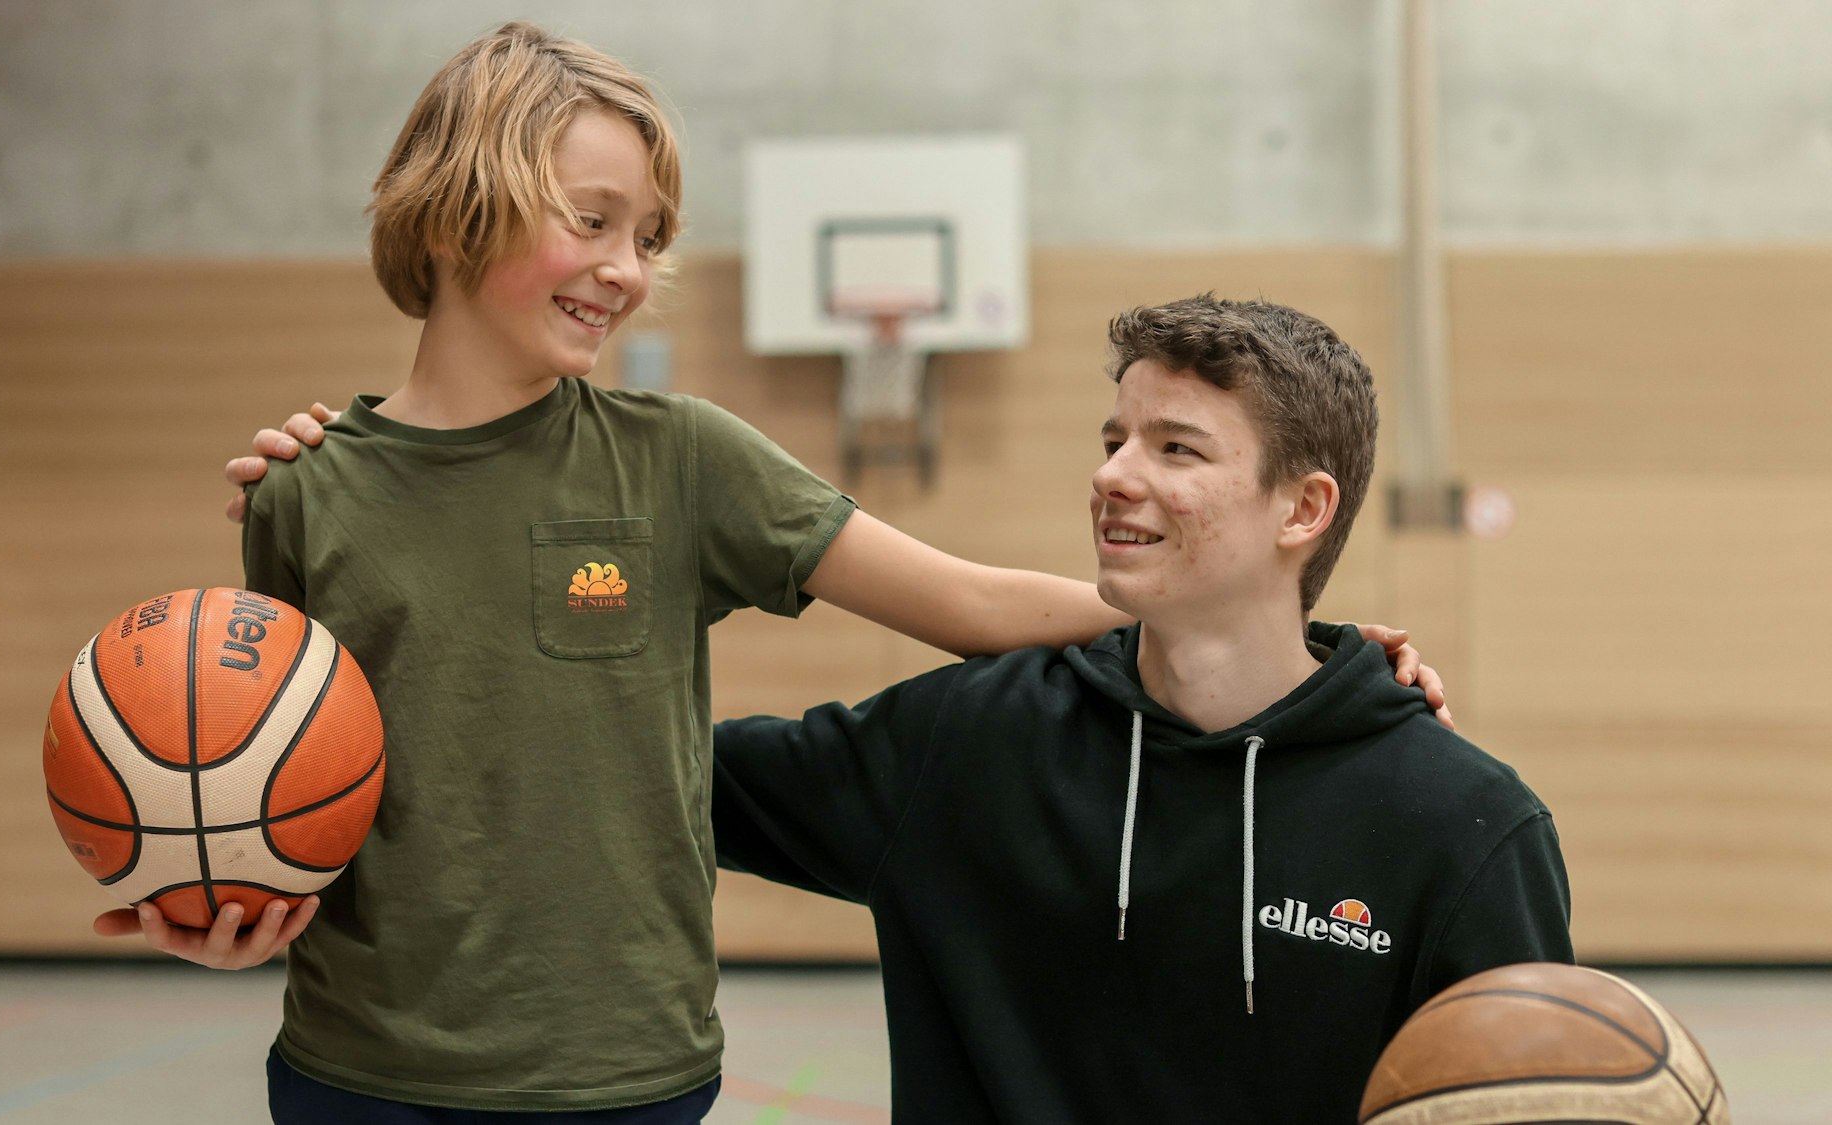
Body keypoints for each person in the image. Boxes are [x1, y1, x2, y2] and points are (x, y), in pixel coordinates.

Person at [157, 23, 1445, 1122]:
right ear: (452, 207)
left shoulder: (682, 460)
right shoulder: (303, 491)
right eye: (590, 221)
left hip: (623, 1077)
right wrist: (214, 892)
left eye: (647, 236)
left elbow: (969, 604)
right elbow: (276, 771)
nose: (625, 268)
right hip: (355, 1068)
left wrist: (1293, 640)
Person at [706, 296, 1572, 1123]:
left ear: (1303, 508)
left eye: (1176, 449)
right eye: (1115, 440)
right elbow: (671, 779)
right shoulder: (968, 739)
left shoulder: (1463, 824)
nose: (1111, 474)